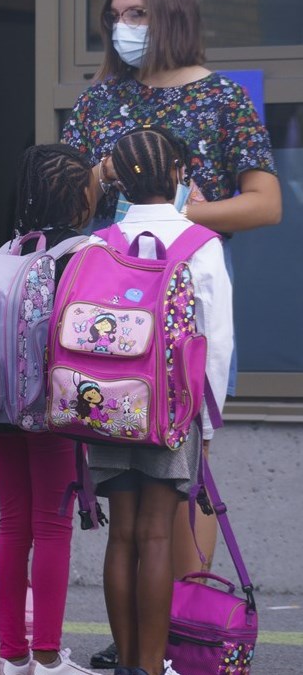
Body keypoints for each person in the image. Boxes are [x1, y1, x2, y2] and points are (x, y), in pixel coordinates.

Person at [58, 0, 280, 667]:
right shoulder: (98, 102)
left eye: (136, 15)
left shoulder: (220, 99)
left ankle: (180, 622)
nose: (122, 29)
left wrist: (179, 217)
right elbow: (65, 199)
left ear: (170, 17)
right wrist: (93, 189)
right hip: (108, 321)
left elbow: (264, 201)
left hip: (188, 314)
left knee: (189, 473)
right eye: (114, 17)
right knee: (126, 489)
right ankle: (140, 637)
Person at [90, 127, 232, 675]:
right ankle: (150, 667)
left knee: (121, 533)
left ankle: (125, 661)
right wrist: (208, 420)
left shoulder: (99, 243)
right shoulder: (201, 243)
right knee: (155, 534)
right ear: (178, 173)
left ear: (120, 181)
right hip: (171, 410)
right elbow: (215, 342)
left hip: (104, 406)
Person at [0, 146, 99, 675]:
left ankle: (13, 657)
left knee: (13, 523)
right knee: (53, 529)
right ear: (81, 196)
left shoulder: (7, 251)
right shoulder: (87, 253)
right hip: (54, 409)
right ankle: (50, 659)